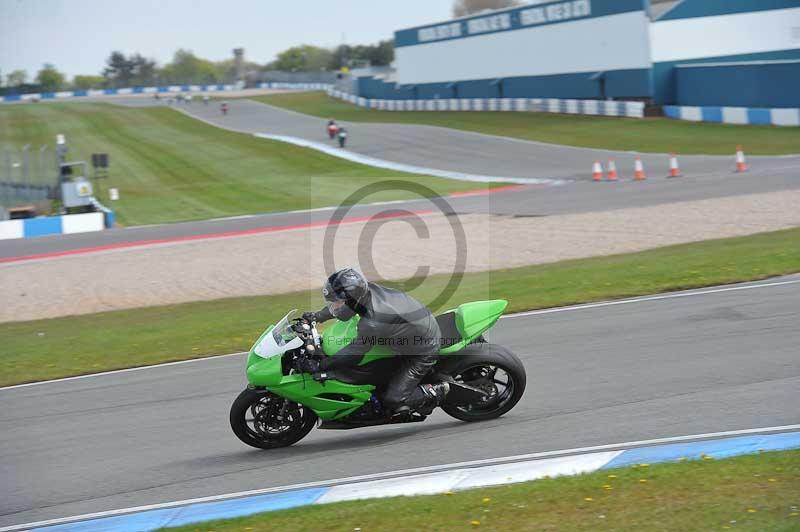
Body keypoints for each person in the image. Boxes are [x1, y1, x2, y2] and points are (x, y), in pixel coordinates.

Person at [298, 268, 451, 417]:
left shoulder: (372, 321)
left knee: (393, 399)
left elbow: (354, 354)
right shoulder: (364, 292)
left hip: (423, 349)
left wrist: (321, 366)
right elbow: (344, 310)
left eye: (337, 302)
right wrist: (316, 317)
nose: (334, 306)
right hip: (411, 328)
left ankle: (437, 390)